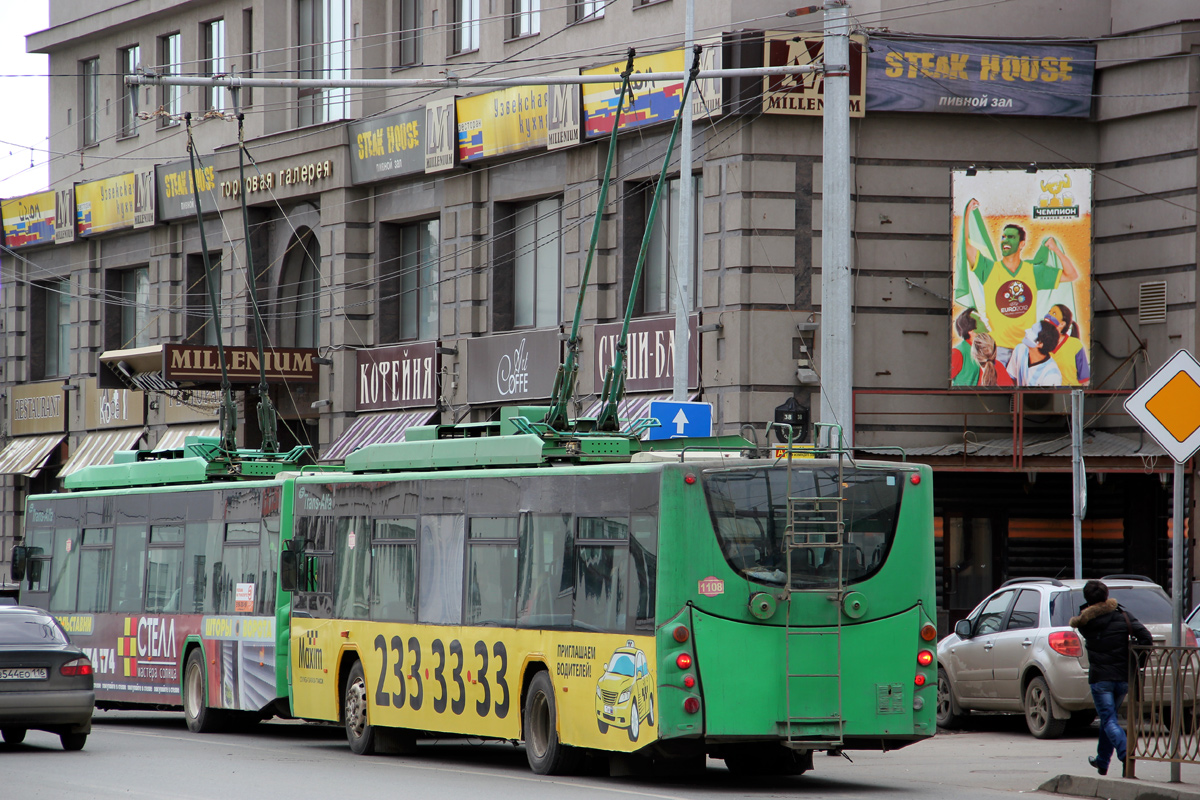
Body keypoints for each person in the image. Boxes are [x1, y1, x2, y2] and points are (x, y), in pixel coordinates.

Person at [962, 198, 1079, 367]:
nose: (1005, 240)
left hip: (1026, 349)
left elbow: (1071, 275)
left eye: (1011, 237)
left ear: (1022, 243)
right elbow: (966, 246)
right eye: (1003, 237)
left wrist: (1055, 249)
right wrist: (967, 213)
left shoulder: (1033, 271)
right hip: (999, 349)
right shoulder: (988, 269)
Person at [1070, 580, 1152, 777]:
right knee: (1109, 719)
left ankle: (1125, 753)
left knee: (1108, 720)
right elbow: (1146, 638)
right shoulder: (1123, 616)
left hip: (1101, 679)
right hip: (1122, 677)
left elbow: (1085, 619)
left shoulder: (1085, 623)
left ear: (1087, 599)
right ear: (1106, 596)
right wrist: (1137, 662)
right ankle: (1102, 761)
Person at [1006, 319, 1063, 386]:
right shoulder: (1020, 349)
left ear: (1040, 343)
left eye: (1032, 331)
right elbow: (1010, 379)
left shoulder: (1052, 376)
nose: (1026, 330)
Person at [1046, 303, 1090, 386]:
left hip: (1070, 392)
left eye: (1054, 313)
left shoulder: (1075, 344)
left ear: (1062, 324)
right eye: (1049, 312)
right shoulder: (1040, 344)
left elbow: (1085, 380)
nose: (1048, 315)